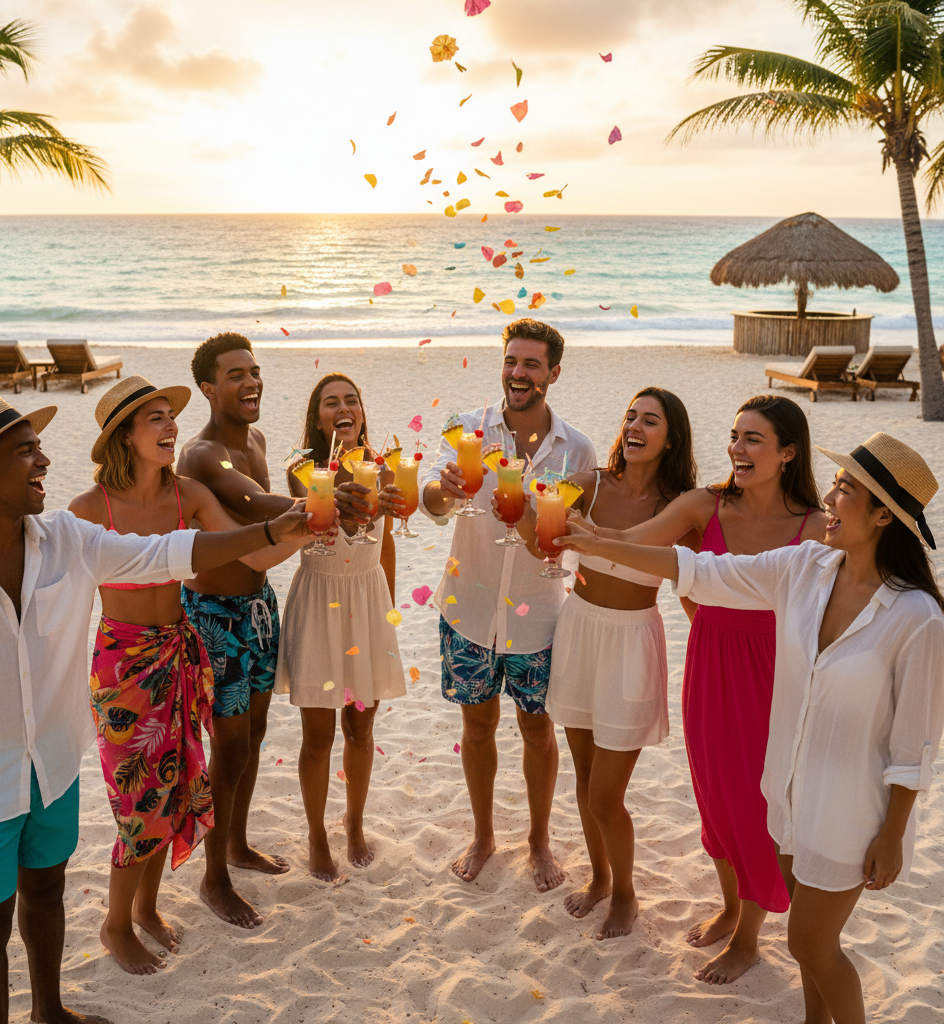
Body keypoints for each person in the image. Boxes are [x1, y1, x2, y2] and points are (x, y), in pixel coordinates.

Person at [0, 394, 310, 1024]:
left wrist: (270, 532)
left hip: (52, 767)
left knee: (47, 893)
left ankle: (51, 1013)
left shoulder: (66, 539)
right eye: (26, 451)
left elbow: (164, 554)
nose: (45, 458)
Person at [556, 432, 944, 1024]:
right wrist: (598, 543)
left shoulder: (917, 618)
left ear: (884, 515)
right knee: (806, 944)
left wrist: (893, 832)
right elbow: (698, 569)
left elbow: (914, 743)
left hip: (853, 812)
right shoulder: (806, 567)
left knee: (809, 945)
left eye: (845, 489)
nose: (830, 497)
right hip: (786, 796)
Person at [574, 394, 826, 981]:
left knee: (756, 803)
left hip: (773, 672)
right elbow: (641, 541)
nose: (737, 448)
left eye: (753, 439)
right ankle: (733, 905)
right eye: (735, 436)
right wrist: (585, 536)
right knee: (715, 797)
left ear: (788, 453)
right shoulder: (704, 503)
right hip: (710, 662)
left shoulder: (814, 525)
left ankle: (748, 938)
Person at [69, 377, 314, 974]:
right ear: (122, 436)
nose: (170, 425)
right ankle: (114, 924)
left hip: (180, 649)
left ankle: (148, 908)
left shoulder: (188, 493)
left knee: (174, 788)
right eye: (154, 418)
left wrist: (311, 526)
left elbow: (250, 555)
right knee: (139, 799)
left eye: (169, 416)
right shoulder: (87, 510)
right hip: (124, 667)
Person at [417, 318, 596, 890]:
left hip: (540, 618)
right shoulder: (469, 430)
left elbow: (575, 534)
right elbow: (430, 503)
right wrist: (441, 490)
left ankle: (539, 840)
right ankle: (484, 834)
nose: (518, 374)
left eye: (531, 365)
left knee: (537, 731)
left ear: (554, 373)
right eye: (511, 362)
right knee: (477, 727)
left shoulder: (578, 449)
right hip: (467, 608)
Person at [513, 387, 697, 939]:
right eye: (630, 416)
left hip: (631, 644)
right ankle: (598, 878)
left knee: (605, 795)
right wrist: (518, 507)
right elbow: (539, 541)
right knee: (585, 773)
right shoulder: (592, 483)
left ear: (672, 437)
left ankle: (626, 892)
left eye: (652, 420)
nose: (636, 427)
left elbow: (695, 585)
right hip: (580, 630)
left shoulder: (681, 507)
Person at [177, 332, 298, 929]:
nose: (251, 382)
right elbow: (250, 502)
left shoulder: (256, 438)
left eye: (255, 371)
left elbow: (264, 503)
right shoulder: (201, 455)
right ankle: (213, 878)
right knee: (227, 748)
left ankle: (236, 844)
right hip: (214, 617)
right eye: (236, 375)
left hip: (257, 606)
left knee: (254, 732)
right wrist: (320, 506)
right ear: (208, 388)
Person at [277, 373, 406, 880]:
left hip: (368, 601)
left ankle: (353, 824)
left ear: (362, 411)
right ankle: (315, 834)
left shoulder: (386, 470)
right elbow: (333, 511)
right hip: (319, 598)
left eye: (352, 399)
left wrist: (388, 613)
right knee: (317, 735)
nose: (343, 407)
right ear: (317, 417)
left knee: (360, 726)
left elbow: (385, 541)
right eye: (331, 402)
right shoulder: (301, 471)